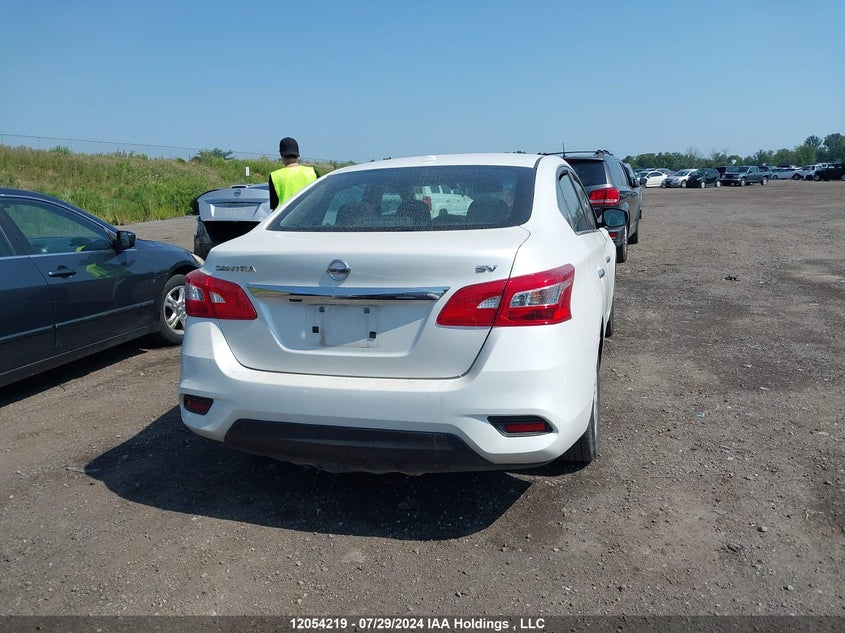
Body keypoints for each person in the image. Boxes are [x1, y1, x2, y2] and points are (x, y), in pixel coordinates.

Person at [268, 137, 318, 210]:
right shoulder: (312, 172)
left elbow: (274, 206)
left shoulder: (274, 176)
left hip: (285, 219)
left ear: (282, 155)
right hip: (310, 217)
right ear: (297, 154)